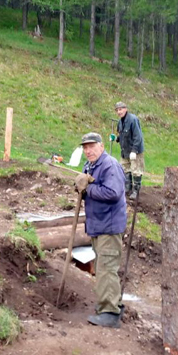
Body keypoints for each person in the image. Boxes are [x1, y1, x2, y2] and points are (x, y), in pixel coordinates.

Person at [74, 133, 128, 328]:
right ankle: (111, 305)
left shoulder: (109, 165)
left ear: (102, 146)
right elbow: (86, 186)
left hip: (109, 226)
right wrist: (79, 185)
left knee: (106, 269)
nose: (88, 150)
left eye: (91, 146)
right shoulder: (91, 166)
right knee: (103, 267)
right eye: (85, 147)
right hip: (99, 225)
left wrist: (88, 189)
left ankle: (110, 313)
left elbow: (113, 193)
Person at [111, 101, 145, 200]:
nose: (119, 112)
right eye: (117, 110)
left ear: (125, 109)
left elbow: (138, 136)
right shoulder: (120, 122)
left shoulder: (133, 120)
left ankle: (136, 191)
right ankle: (127, 188)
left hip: (135, 151)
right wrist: (115, 138)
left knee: (136, 170)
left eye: (120, 109)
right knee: (125, 169)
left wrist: (134, 150)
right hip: (125, 150)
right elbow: (122, 135)